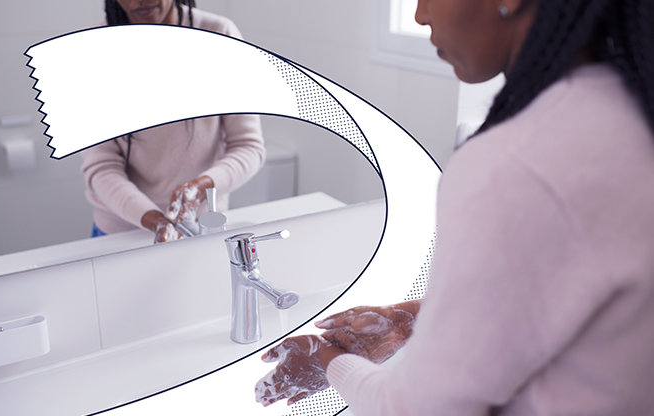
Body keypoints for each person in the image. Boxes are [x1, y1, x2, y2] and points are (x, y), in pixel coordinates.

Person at [255, 0, 654, 414]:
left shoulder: (513, 165)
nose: (419, 15)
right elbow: (574, 296)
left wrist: (325, 361)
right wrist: (413, 319)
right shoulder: (627, 111)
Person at [81, 0, 266, 243]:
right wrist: (153, 219)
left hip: (202, 228)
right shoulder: (92, 49)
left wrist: (201, 187)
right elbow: (101, 167)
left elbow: (249, 147)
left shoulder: (218, 35)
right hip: (119, 232)